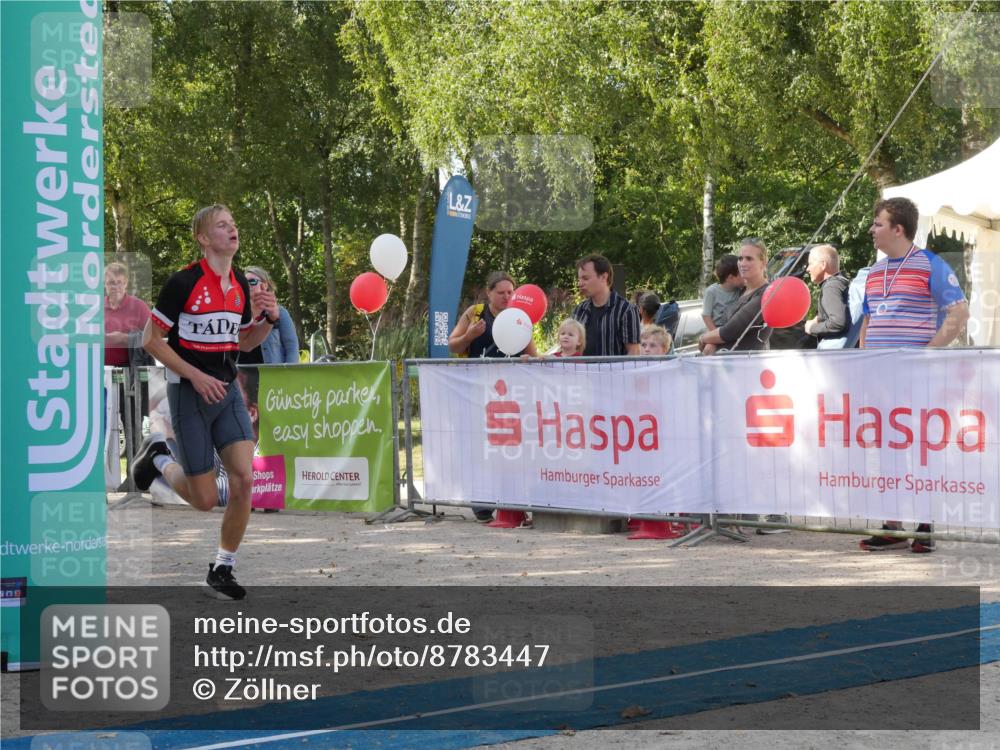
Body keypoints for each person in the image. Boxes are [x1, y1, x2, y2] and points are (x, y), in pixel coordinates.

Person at [131, 204, 280, 599]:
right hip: (189, 393)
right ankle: (158, 457)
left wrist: (267, 320)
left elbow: (243, 342)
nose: (232, 229)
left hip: (227, 392)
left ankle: (222, 568)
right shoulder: (183, 282)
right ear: (203, 237)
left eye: (234, 223)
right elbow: (150, 340)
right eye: (222, 225)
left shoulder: (240, 288)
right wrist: (195, 376)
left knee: (244, 478)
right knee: (204, 500)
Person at [858, 197, 969, 553]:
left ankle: (925, 524)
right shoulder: (873, 273)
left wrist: (927, 354)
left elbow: (959, 313)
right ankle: (892, 524)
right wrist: (865, 359)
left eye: (877, 224)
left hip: (918, 378)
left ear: (897, 229)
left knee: (921, 448)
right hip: (881, 379)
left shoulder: (930, 265)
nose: (872, 230)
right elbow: (869, 320)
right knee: (888, 448)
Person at [104, 262, 151, 457]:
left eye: (119, 282)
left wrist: (124, 338)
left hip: (130, 372)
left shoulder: (138, 307)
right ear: (104, 284)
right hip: (103, 374)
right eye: (110, 283)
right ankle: (105, 473)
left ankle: (135, 474)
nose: (115, 287)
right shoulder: (96, 307)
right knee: (105, 422)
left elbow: (152, 338)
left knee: (131, 422)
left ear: (126, 284)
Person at [698, 238, 772, 355]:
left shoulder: (765, 294)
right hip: (725, 365)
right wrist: (712, 342)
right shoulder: (740, 290)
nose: (742, 263)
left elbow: (729, 331)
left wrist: (703, 338)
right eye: (740, 258)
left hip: (747, 365)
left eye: (749, 259)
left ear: (763, 263)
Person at [448, 271, 539, 359]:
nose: (506, 297)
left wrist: (528, 359)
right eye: (501, 293)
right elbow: (452, 347)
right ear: (488, 292)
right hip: (478, 373)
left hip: (511, 374)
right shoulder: (475, 312)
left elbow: (533, 356)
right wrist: (468, 337)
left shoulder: (520, 317)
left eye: (510, 292)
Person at [572, 254, 641, 356]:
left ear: (604, 277)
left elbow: (634, 353)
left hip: (615, 372)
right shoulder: (579, 310)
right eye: (579, 279)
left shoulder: (626, 310)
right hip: (583, 372)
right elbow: (570, 349)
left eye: (585, 278)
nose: (580, 284)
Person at [238, 266, 299, 364]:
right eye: (244, 282)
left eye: (252, 281)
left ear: (265, 285)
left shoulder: (280, 312)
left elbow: (292, 345)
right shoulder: (237, 312)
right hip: (241, 375)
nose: (247, 285)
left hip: (271, 374)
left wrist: (289, 374)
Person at [803, 244, 850, 349]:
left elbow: (837, 322)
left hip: (835, 355)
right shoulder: (841, 282)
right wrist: (819, 318)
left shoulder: (831, 287)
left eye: (810, 264)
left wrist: (812, 328)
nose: (807, 269)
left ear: (823, 265)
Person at [701, 254, 743, 331]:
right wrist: (715, 334)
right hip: (717, 330)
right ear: (730, 278)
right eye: (741, 273)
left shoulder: (740, 290)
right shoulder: (711, 291)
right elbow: (706, 315)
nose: (744, 276)